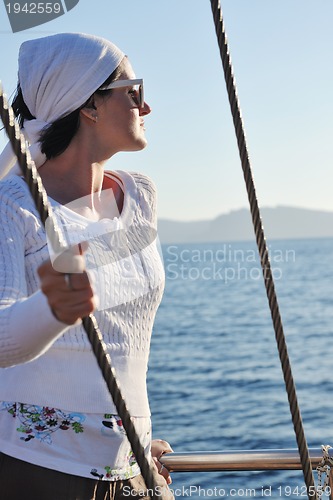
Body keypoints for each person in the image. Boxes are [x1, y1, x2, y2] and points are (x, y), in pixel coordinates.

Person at [0, 32, 173, 499]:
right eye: (134, 91)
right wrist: (51, 310)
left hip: (130, 468)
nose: (146, 107)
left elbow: (124, 338)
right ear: (89, 105)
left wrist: (130, 440)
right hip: (36, 471)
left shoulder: (140, 197)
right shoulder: (13, 207)